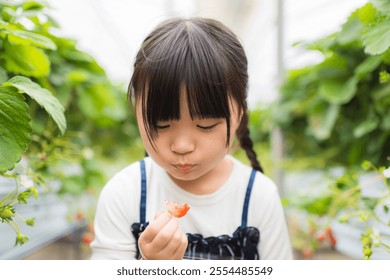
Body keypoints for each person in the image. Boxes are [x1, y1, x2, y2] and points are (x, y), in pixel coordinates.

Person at [90, 17, 292, 260]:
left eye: (205, 125)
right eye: (161, 124)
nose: (182, 146)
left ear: (238, 114)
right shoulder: (125, 193)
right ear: (137, 112)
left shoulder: (258, 196)